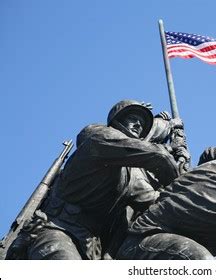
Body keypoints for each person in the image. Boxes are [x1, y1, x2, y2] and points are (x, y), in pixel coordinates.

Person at [6, 100, 187, 260]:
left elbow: (159, 201)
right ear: (117, 120)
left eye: (142, 123)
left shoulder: (133, 176)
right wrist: (171, 161)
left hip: (91, 248)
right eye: (133, 118)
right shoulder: (98, 135)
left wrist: (182, 164)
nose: (138, 124)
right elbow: (156, 155)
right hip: (56, 230)